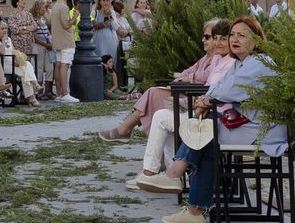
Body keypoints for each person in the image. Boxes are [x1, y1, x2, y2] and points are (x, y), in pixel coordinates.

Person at [142, 17, 289, 223]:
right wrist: (206, 99)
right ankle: (193, 208)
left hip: (264, 131)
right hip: (247, 125)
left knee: (209, 130)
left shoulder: (260, 63)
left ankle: (177, 177)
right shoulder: (241, 63)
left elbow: (230, 90)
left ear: (256, 41)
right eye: (233, 35)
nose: (234, 39)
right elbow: (218, 86)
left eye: (242, 35)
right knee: (209, 139)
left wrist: (207, 100)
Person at [101, 17, 235, 145]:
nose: (203, 40)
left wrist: (188, 78)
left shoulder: (219, 58)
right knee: (152, 95)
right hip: (187, 94)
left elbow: (205, 76)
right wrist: (184, 77)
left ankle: (125, 129)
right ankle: (127, 130)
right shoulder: (207, 57)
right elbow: (188, 71)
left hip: (194, 97)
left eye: (207, 37)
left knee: (152, 94)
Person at [47, 0, 79, 105]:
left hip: (58, 40)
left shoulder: (55, 6)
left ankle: (60, 93)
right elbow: (66, 25)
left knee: (59, 65)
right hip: (66, 41)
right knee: (65, 66)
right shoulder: (64, 7)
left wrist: (73, 19)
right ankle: (65, 93)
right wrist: (75, 17)